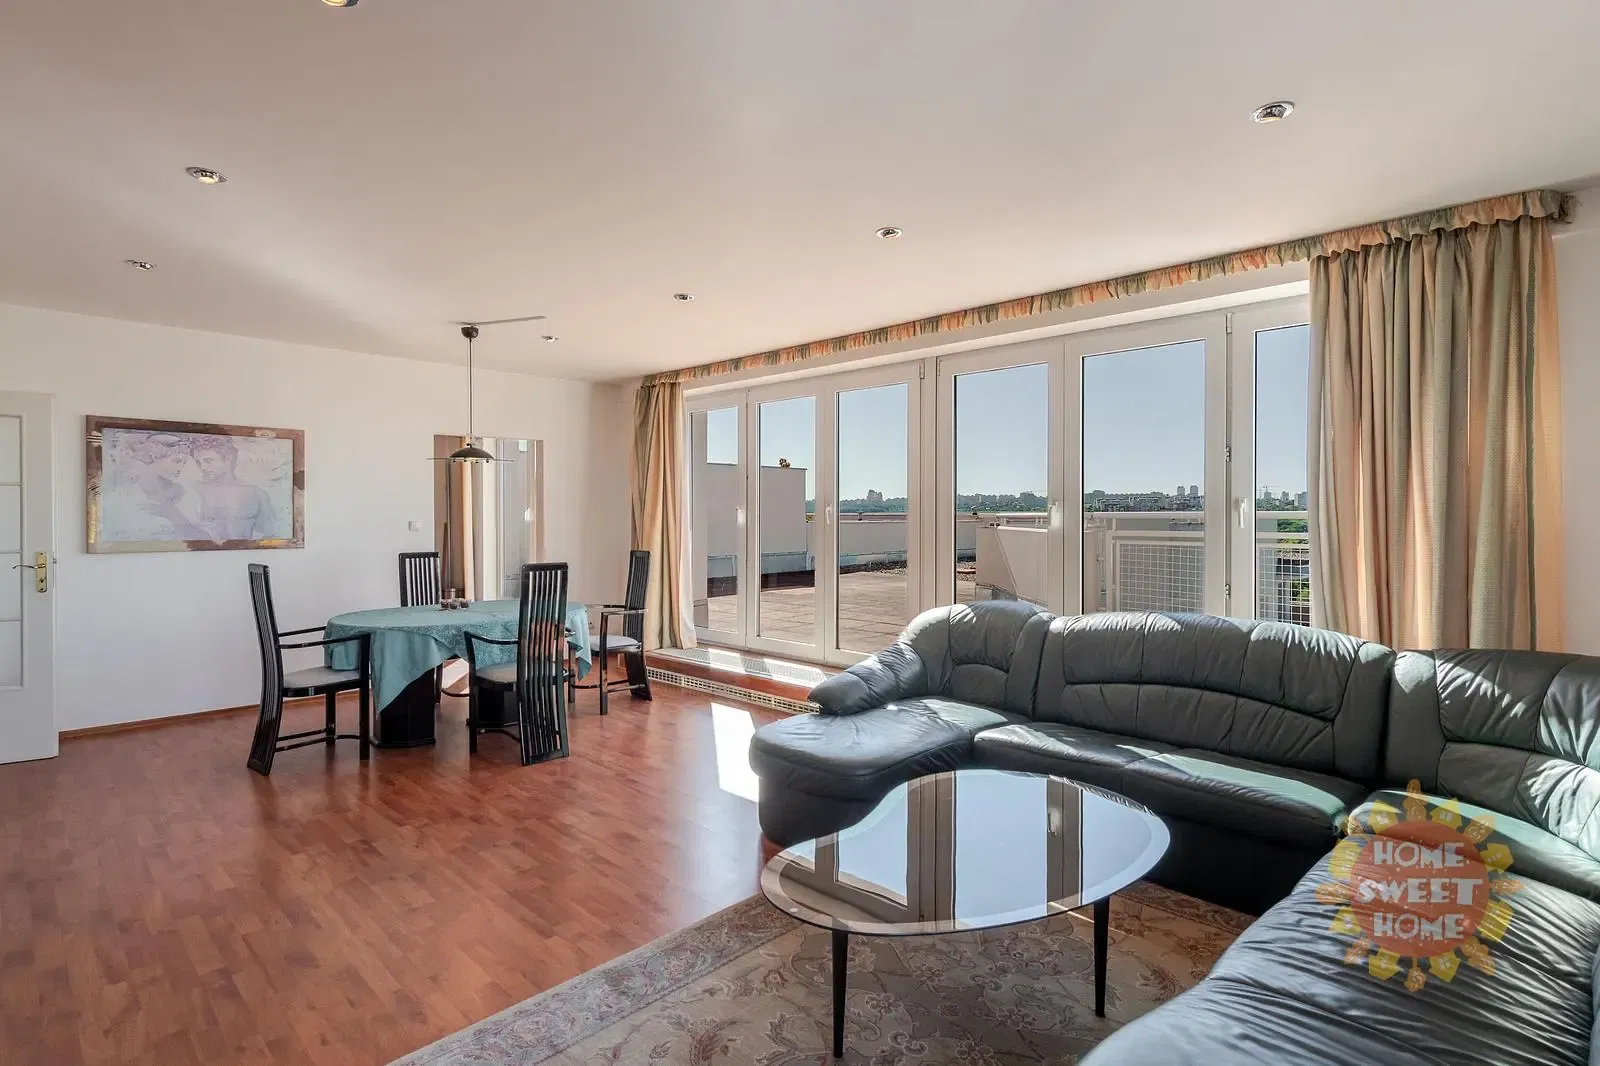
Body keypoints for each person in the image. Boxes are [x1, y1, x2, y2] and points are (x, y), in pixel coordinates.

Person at [191, 435, 279, 541]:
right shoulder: (193, 492)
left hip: (243, 550)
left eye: (208, 460)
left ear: (228, 458)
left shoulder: (256, 494)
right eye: (198, 462)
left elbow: (271, 535)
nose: (203, 467)